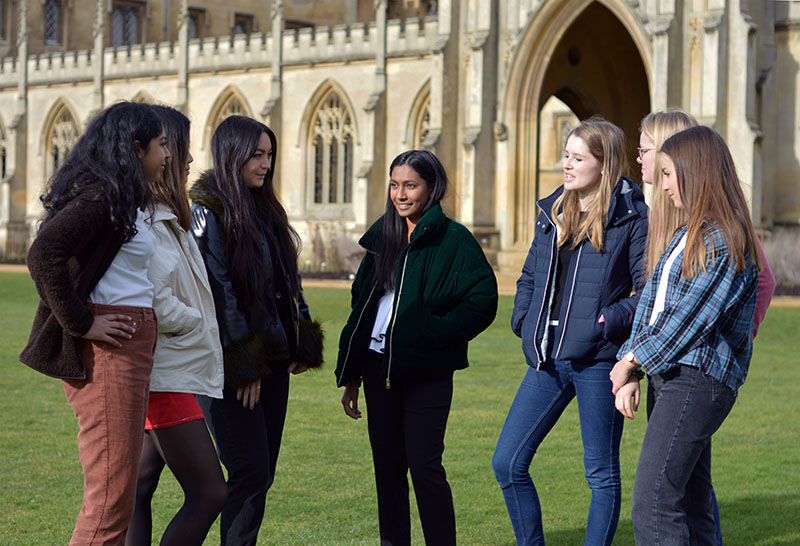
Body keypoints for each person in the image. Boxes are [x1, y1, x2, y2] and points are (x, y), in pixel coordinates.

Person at [492, 116, 648, 546]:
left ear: (604, 163)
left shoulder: (632, 215)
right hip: (548, 358)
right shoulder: (553, 209)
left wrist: (604, 322)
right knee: (507, 462)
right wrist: (523, 320)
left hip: (600, 362)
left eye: (577, 157)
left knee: (601, 475)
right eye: (566, 155)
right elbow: (529, 275)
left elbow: (648, 291)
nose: (566, 164)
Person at [19, 101, 166, 544]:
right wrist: (82, 323)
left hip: (130, 349)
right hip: (110, 354)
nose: (169, 155)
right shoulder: (100, 198)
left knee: (117, 495)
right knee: (109, 499)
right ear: (136, 148)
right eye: (161, 145)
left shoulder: (123, 199)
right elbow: (43, 255)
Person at [336, 149, 498, 545]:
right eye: (395, 185)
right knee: (388, 469)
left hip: (427, 373)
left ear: (431, 187)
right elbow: (361, 307)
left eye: (411, 185)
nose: (401, 194)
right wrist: (353, 374)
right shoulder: (382, 236)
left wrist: (435, 333)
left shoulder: (454, 239)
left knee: (425, 468)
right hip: (378, 370)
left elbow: (482, 300)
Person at [610, 125, 762, 545]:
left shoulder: (724, 237)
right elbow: (653, 308)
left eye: (669, 174)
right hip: (673, 376)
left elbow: (688, 319)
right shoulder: (686, 232)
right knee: (692, 503)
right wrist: (633, 367)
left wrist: (630, 362)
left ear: (696, 172)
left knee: (654, 501)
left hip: (697, 381)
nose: (663, 185)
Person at [189, 114, 324, 545]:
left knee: (260, 473)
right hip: (232, 365)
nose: (265, 164)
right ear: (232, 154)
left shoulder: (265, 209)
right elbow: (216, 289)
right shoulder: (207, 210)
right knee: (248, 472)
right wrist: (244, 365)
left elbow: (288, 280)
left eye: (270, 155)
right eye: (256, 155)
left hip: (273, 361)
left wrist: (301, 337)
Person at [125, 105, 227, 546]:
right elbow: (152, 297)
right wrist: (196, 322)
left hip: (168, 370)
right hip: (164, 375)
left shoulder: (170, 213)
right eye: (175, 147)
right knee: (209, 492)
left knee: (138, 488)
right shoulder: (148, 218)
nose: (186, 161)